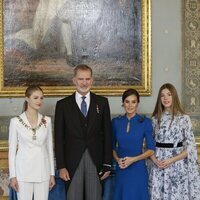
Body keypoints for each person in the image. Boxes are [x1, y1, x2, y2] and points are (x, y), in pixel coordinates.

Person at [54, 64, 112, 200]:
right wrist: (61, 166)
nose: (84, 83)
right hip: (71, 164)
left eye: (87, 79)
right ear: (74, 80)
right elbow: (59, 138)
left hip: (96, 162)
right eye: (81, 79)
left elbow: (108, 135)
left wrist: (107, 164)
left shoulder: (102, 103)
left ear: (92, 80)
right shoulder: (63, 105)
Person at [149, 83, 200, 200]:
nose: (165, 98)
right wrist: (155, 161)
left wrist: (171, 160)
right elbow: (149, 146)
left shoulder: (184, 118)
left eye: (169, 94)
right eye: (162, 95)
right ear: (159, 99)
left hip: (177, 165)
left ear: (174, 96)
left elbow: (191, 147)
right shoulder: (155, 119)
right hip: (158, 166)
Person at [9, 85, 55, 200]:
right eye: (35, 98)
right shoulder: (15, 122)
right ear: (27, 98)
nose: (39, 101)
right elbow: (12, 151)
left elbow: (49, 148)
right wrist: (13, 176)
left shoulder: (47, 121)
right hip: (23, 173)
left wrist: (52, 174)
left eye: (41, 98)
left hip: (43, 172)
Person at [112, 88, 155, 200]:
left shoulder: (145, 122)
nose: (130, 105)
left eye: (133, 102)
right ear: (123, 103)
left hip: (138, 169)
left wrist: (133, 159)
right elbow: (111, 147)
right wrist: (117, 160)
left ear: (137, 103)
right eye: (127, 101)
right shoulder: (116, 122)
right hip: (121, 169)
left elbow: (151, 149)